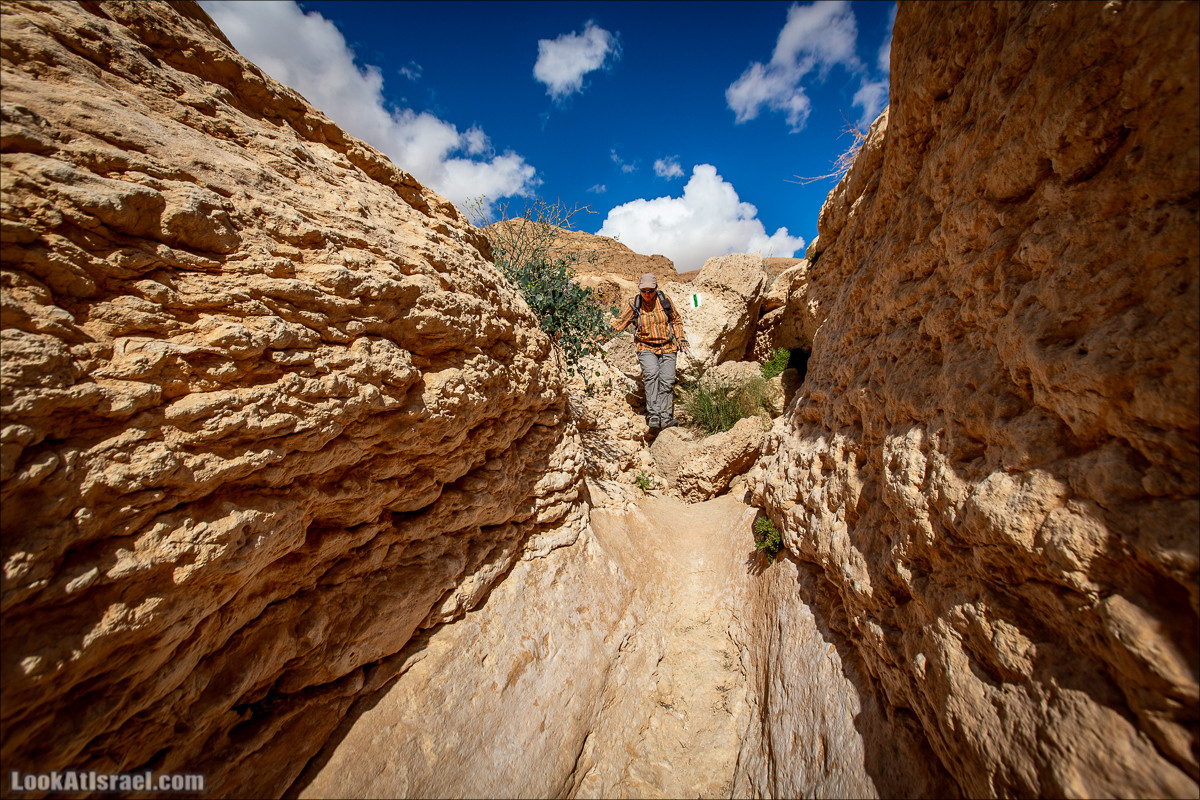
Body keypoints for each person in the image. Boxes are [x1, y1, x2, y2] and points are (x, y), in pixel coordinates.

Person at [610, 273, 689, 431]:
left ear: (656, 289)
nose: (647, 294)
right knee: (652, 374)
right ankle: (653, 415)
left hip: (667, 346)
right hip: (646, 347)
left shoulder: (664, 301)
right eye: (644, 290)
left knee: (667, 380)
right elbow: (620, 323)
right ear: (640, 290)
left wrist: (681, 338)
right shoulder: (635, 304)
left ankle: (666, 418)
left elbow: (676, 320)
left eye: (650, 291)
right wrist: (599, 337)